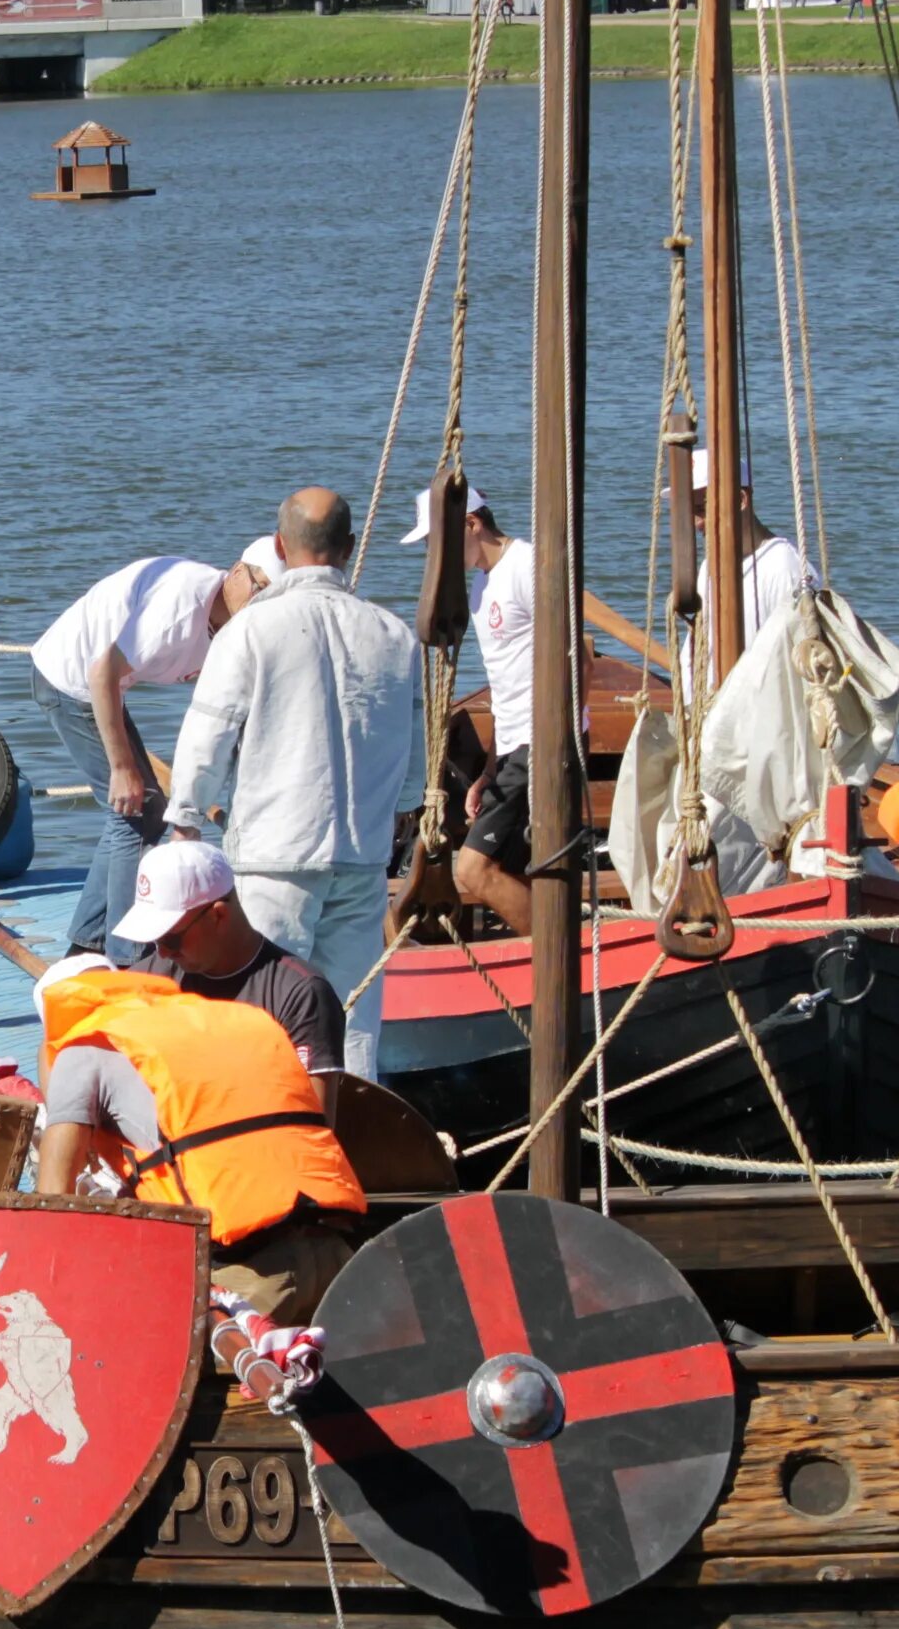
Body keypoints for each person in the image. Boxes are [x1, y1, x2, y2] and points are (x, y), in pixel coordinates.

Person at [166, 487, 422, 1080]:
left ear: (280, 547)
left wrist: (184, 817)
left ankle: (261, 1135)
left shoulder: (252, 631)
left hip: (274, 854)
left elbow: (209, 734)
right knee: (350, 1016)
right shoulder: (394, 635)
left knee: (260, 1007)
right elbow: (414, 752)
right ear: (350, 548)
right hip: (361, 853)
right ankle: (351, 1133)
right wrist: (404, 811)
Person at [30, 952, 368, 1325]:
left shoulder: (78, 1050)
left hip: (248, 1284)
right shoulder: (217, 1018)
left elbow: (52, 1211)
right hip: (341, 1261)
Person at [27, 551, 267, 961]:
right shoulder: (177, 615)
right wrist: (122, 768)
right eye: (259, 585)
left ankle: (88, 941)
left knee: (143, 808)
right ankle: (128, 957)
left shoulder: (239, 629)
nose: (261, 599)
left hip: (106, 686)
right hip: (72, 681)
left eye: (273, 593)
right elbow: (101, 673)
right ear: (237, 572)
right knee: (136, 812)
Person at [108, 838, 347, 1118]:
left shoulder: (301, 994)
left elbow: (312, 1126)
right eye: (153, 941)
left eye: (171, 939)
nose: (161, 952)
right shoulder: (147, 978)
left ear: (219, 916)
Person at [398, 480, 542, 932]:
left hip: (541, 741)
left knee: (472, 869)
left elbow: (576, 652)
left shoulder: (528, 565)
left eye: (437, 542)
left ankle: (561, 958)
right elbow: (504, 685)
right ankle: (542, 961)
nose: (433, 557)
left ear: (471, 523)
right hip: (514, 746)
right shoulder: (480, 589)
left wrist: (556, 741)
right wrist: (489, 770)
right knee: (509, 870)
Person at [682, 448, 824, 691]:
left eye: (702, 508)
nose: (696, 523)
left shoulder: (784, 568)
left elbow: (805, 674)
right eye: (690, 510)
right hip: (710, 718)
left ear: (740, 501)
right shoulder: (709, 567)